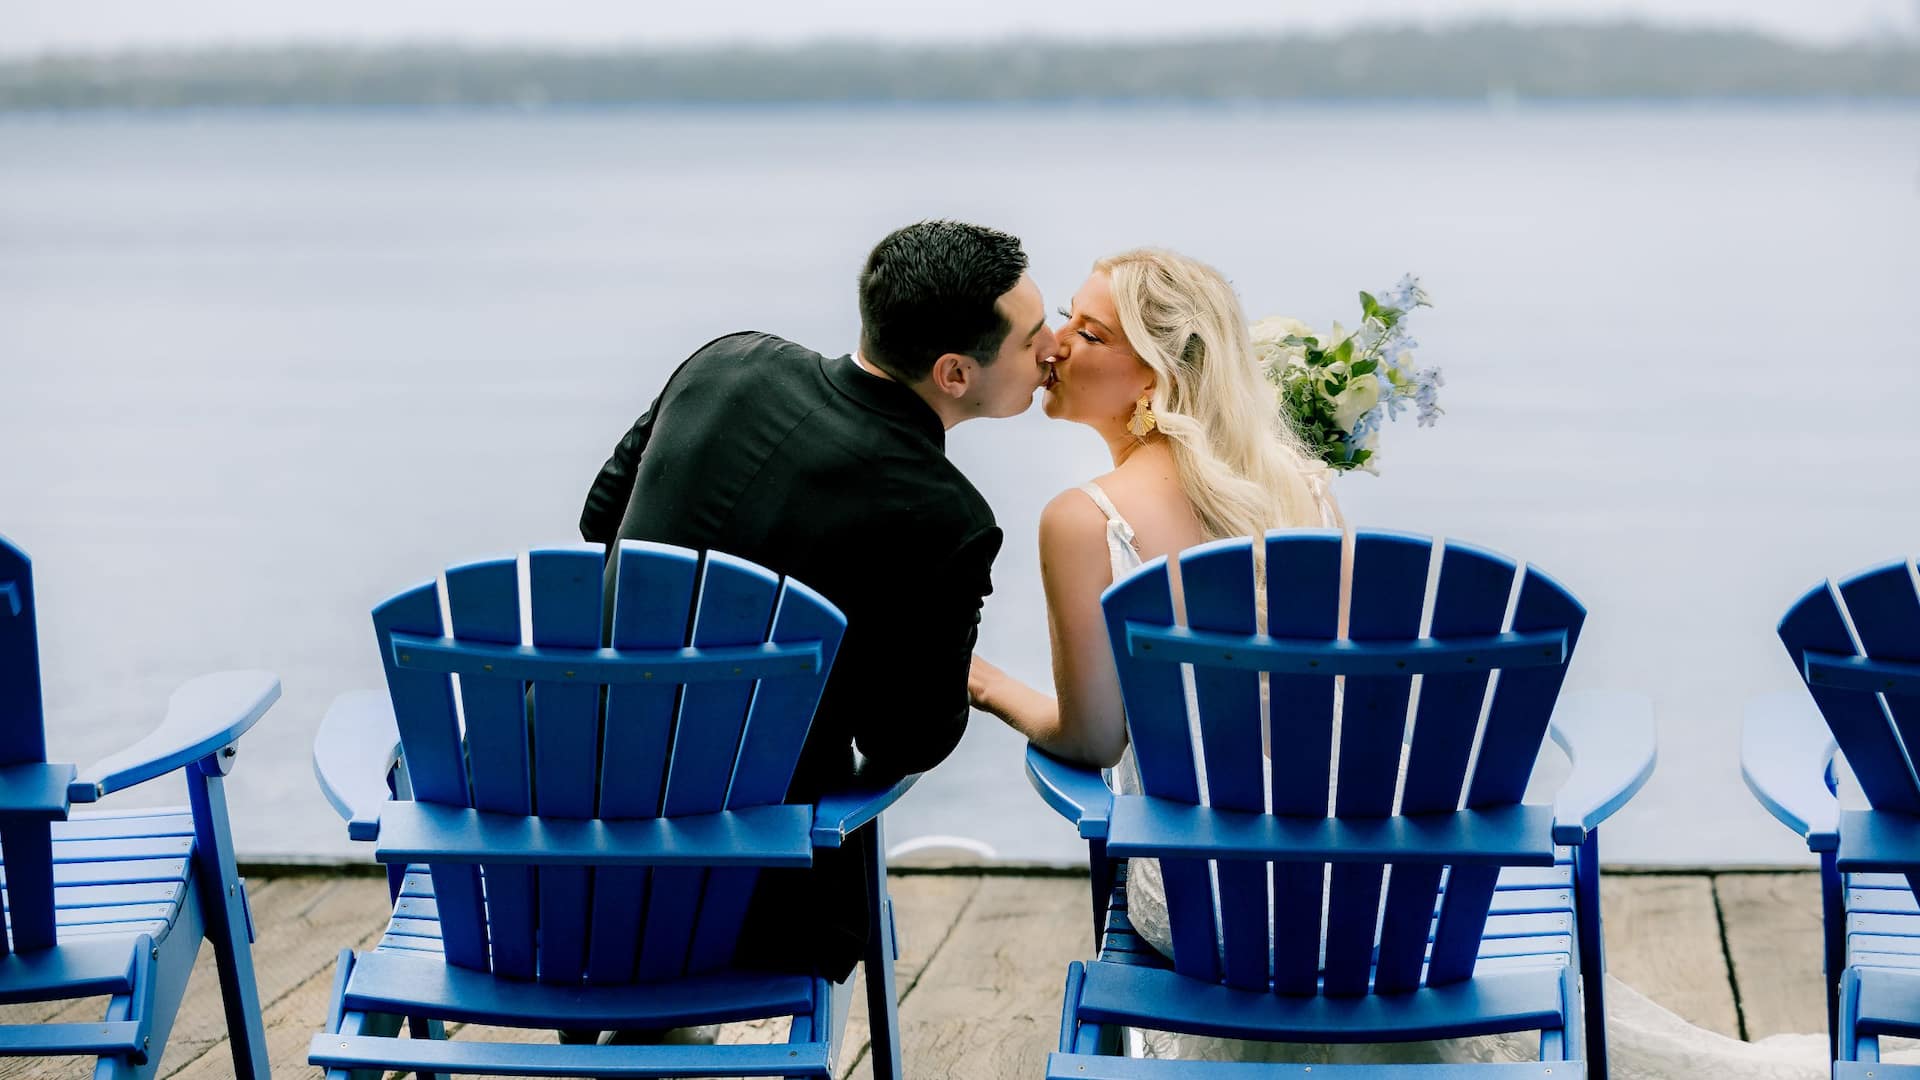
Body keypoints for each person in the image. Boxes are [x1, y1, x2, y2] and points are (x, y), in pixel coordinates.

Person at [965, 247, 1846, 1075]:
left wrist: (985, 684)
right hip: (1377, 887)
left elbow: (1087, 741)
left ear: (1154, 375)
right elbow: (1352, 705)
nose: (1053, 348)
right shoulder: (1302, 488)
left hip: (1207, 906)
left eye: (1088, 331)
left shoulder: (1083, 522)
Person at [579, 220, 1057, 984]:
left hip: (549, 834)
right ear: (954, 374)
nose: (1055, 347)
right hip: (746, 890)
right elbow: (908, 741)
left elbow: (603, 520)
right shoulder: (943, 517)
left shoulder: (727, 361)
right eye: (1034, 337)